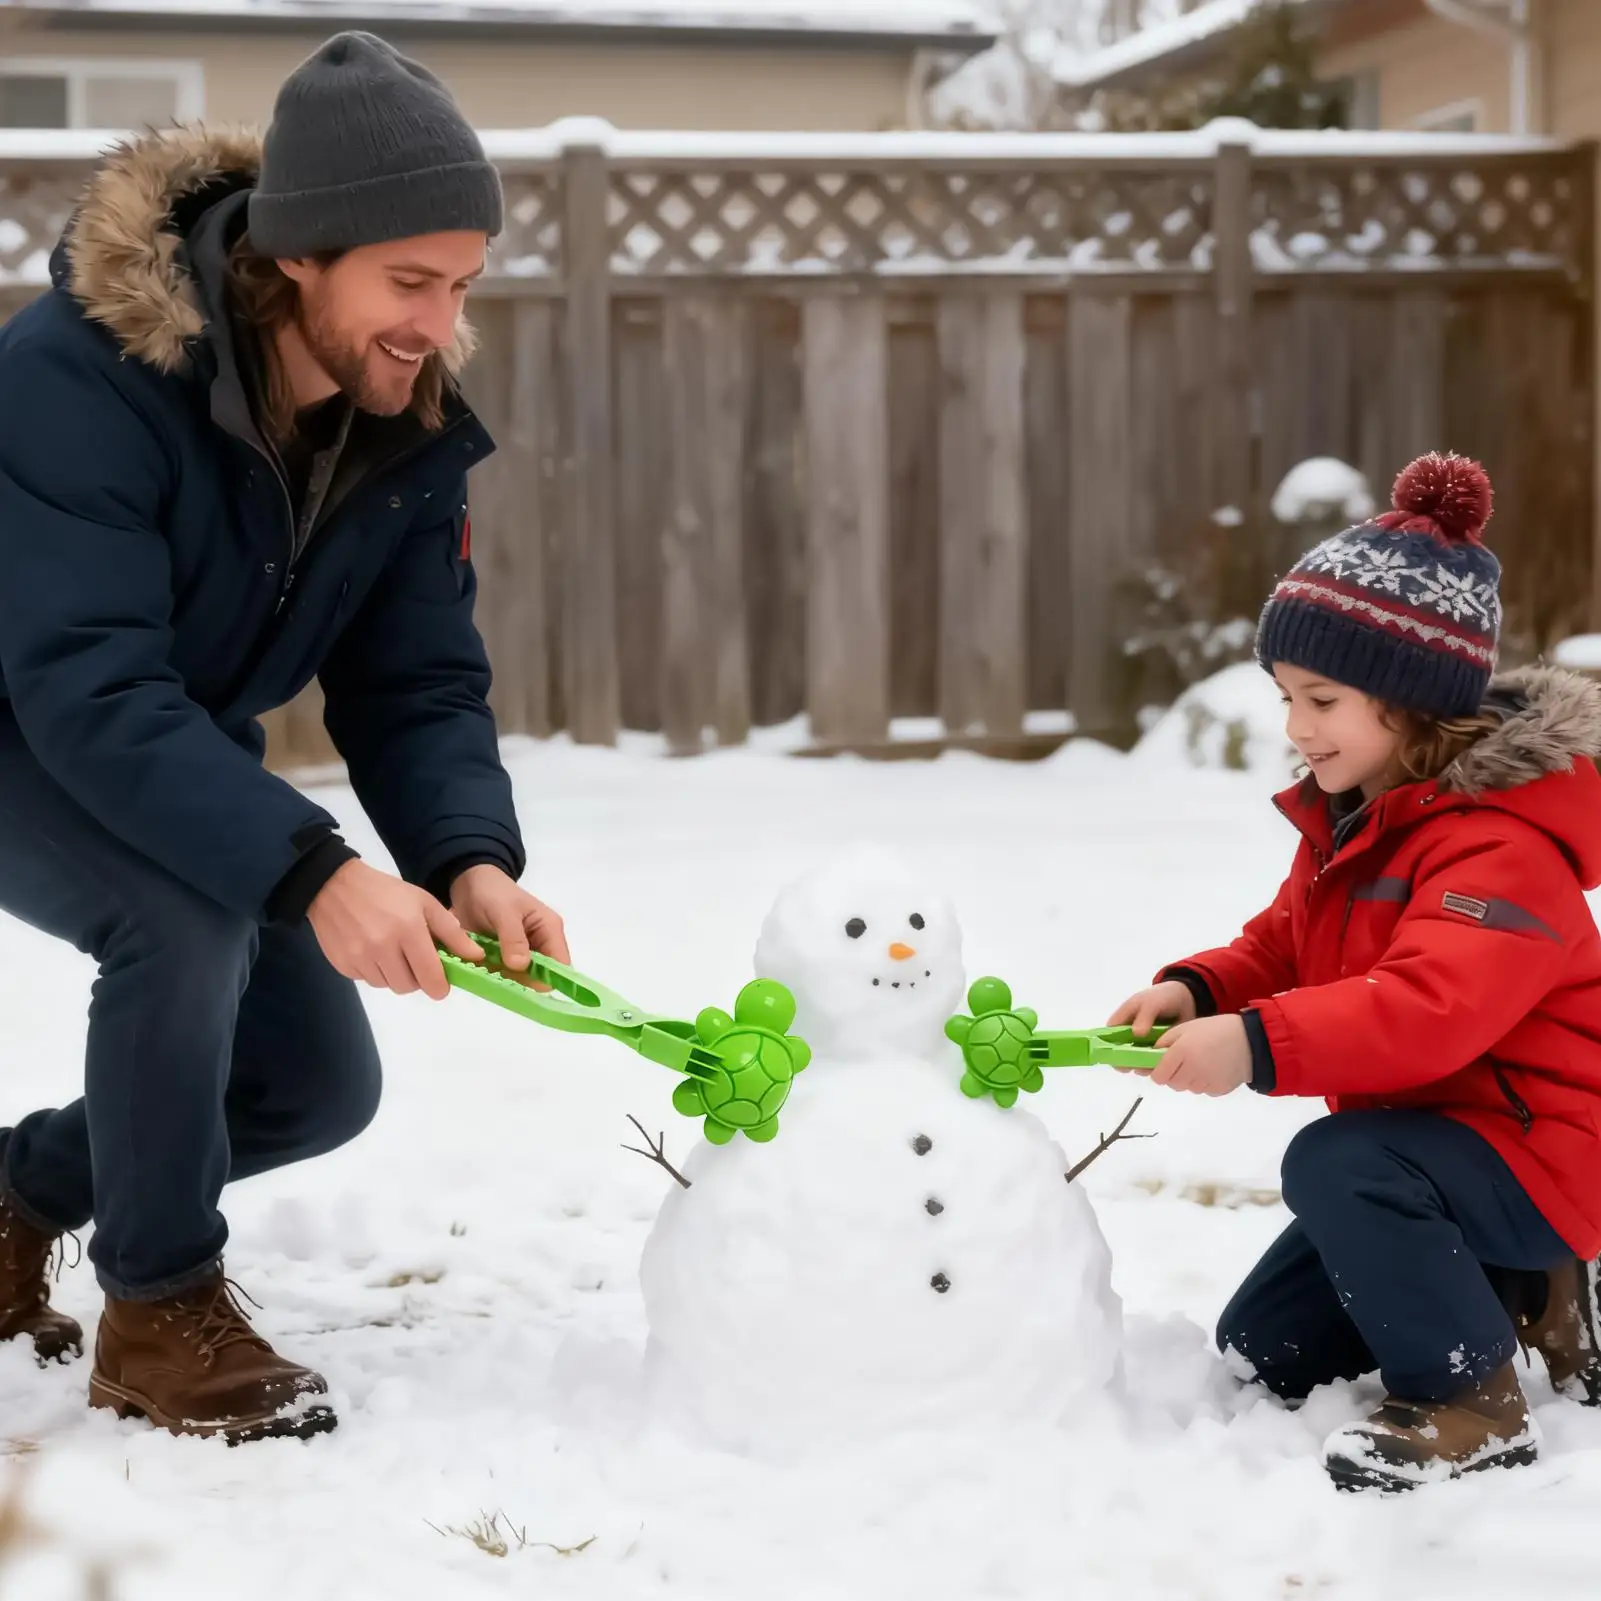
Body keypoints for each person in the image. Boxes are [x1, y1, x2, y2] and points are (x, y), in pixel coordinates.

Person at [0, 31, 568, 1443]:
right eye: (409, 282)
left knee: (312, 1083)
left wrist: (464, 857)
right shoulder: (78, 381)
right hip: (32, 716)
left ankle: (13, 1201)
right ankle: (159, 1310)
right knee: (183, 913)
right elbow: (87, 684)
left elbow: (419, 678)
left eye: (463, 284)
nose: (438, 323)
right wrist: (315, 872)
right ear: (296, 257)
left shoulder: (399, 421)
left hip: (143, 734)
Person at [1109, 451, 1601, 1493]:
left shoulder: (1499, 848)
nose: (1294, 728)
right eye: (1285, 696)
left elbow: (1429, 1010)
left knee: (1336, 1160)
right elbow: (1283, 943)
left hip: (1541, 1148)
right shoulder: (1355, 822)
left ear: (1411, 700)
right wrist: (1199, 989)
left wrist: (1251, 1045)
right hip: (1437, 1148)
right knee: (1266, 1349)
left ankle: (1474, 1398)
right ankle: (1522, 1289)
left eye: (1320, 698)